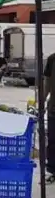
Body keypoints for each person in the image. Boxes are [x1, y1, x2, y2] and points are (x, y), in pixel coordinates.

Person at [43, 53, 55, 182]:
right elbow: (47, 81)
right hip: (54, 108)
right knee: (52, 141)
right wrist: (42, 100)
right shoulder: (52, 59)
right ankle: (53, 171)